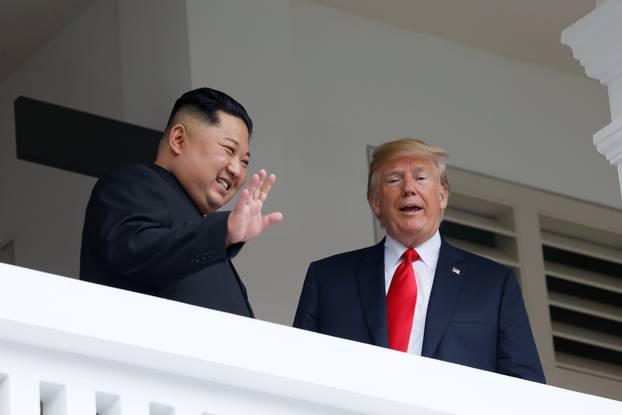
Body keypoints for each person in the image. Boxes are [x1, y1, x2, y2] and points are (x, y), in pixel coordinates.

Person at [293, 138, 545, 382]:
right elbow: (298, 373)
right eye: (394, 180)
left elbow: (526, 386)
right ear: (376, 202)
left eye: (421, 178)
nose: (409, 189)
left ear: (443, 195)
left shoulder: (493, 284)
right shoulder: (328, 279)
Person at [80, 87, 282, 317]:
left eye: (244, 161)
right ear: (178, 139)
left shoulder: (205, 233)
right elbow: (131, 251)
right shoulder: (134, 182)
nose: (237, 170)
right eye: (228, 150)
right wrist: (222, 232)